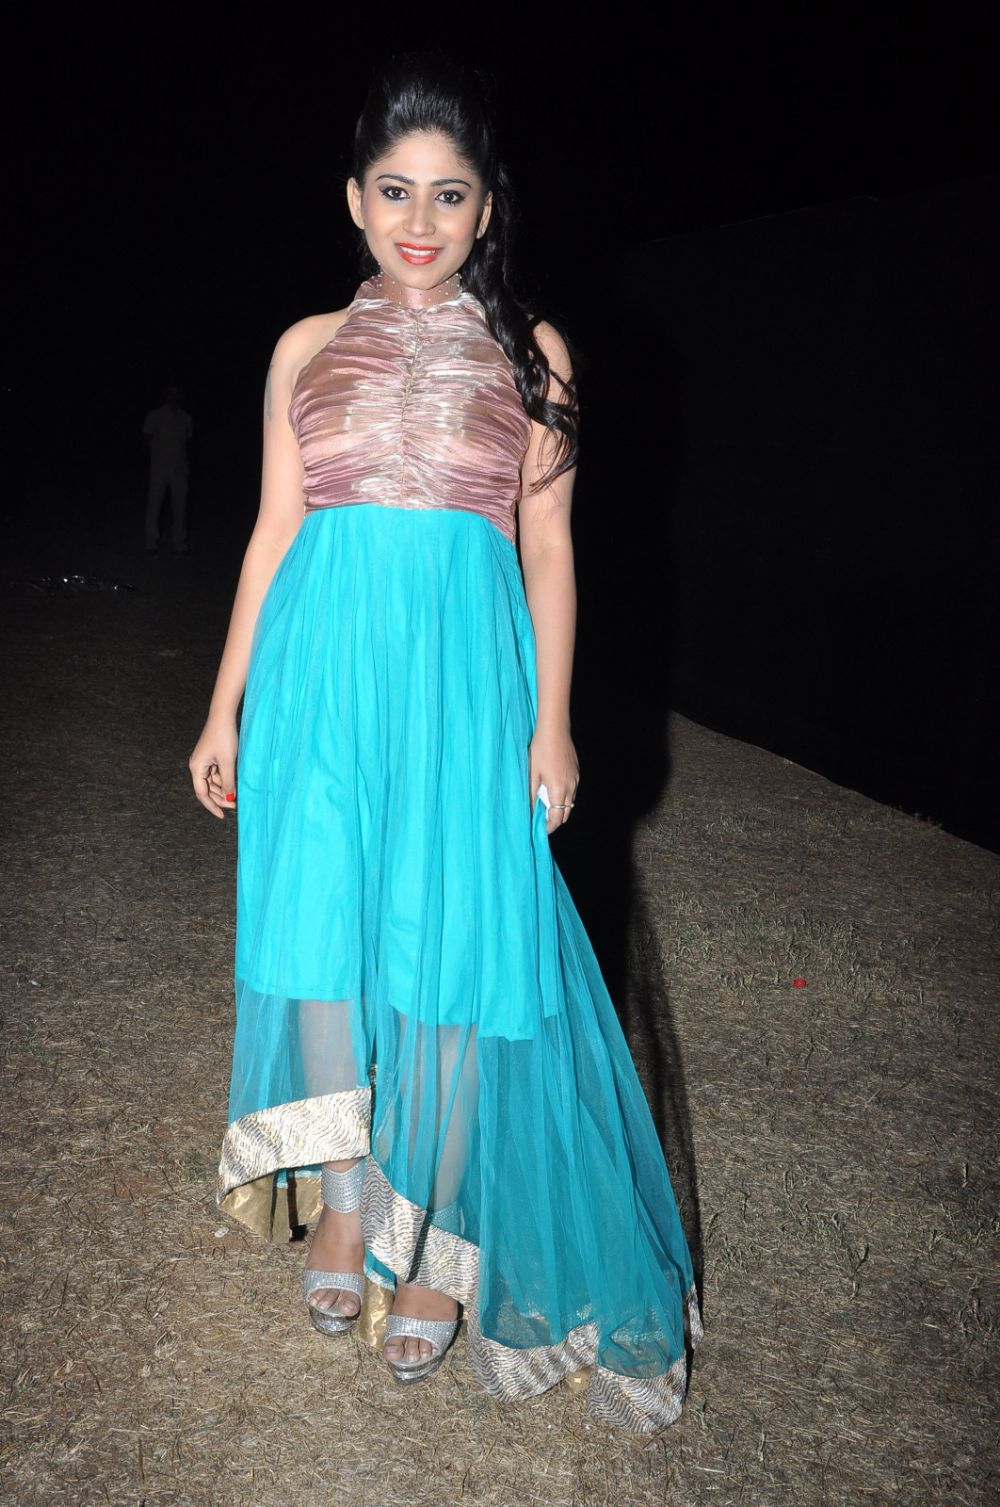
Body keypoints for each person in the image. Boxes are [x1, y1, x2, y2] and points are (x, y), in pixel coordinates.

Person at [188, 52, 703, 1433]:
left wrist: (553, 720)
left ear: (487, 207)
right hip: (319, 672)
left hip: (467, 682)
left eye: (450, 194)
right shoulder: (303, 347)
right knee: (318, 918)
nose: (421, 220)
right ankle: (342, 1198)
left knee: (454, 944)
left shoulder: (535, 356)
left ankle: (429, 1233)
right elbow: (272, 532)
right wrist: (225, 702)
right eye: (396, 190)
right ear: (355, 199)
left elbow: (551, 548)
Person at [143, 384, 192, 554]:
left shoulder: (186, 418)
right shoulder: (155, 415)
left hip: (180, 468)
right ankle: (151, 543)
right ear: (165, 395)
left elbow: (188, 441)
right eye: (171, 393)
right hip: (159, 468)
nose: (174, 397)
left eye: (176, 394)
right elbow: (146, 437)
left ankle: (179, 543)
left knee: (180, 508)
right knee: (154, 505)